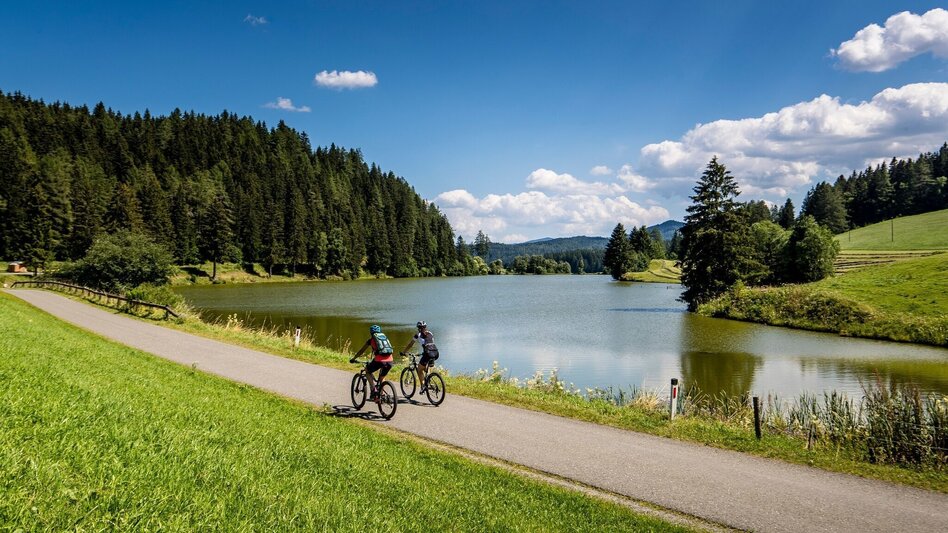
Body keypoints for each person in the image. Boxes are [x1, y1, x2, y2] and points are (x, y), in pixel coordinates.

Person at [350, 324, 394, 400]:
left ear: (371, 333)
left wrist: (354, 358)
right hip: (390, 360)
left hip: (379, 361)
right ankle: (382, 395)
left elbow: (361, 351)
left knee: (367, 371)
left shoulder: (371, 340)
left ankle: (373, 390)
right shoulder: (384, 338)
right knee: (382, 377)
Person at [402, 321, 439, 391]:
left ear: (418, 328)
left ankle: (423, 386)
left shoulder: (417, 335)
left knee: (419, 370)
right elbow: (430, 343)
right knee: (426, 367)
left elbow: (410, 344)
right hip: (435, 352)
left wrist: (404, 352)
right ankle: (429, 380)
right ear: (425, 327)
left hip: (428, 353)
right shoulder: (430, 333)